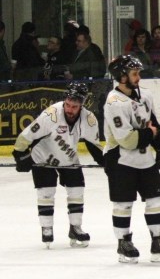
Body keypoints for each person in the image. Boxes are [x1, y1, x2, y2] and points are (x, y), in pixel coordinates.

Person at [103, 55, 160, 263]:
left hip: (144, 159)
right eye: (134, 74)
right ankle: (123, 243)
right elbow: (128, 140)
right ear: (121, 77)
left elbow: (151, 122)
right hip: (120, 160)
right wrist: (153, 133)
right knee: (124, 203)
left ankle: (157, 241)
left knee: (156, 198)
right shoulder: (114, 103)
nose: (139, 77)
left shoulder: (144, 95)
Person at [12, 83, 105, 248]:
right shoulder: (51, 115)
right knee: (46, 192)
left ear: (82, 105)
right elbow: (26, 136)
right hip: (43, 157)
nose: (70, 109)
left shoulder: (88, 119)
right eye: (68, 105)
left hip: (68, 158)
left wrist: (106, 163)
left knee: (77, 190)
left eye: (74, 106)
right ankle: (46, 227)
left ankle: (75, 227)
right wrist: (20, 156)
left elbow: (93, 145)